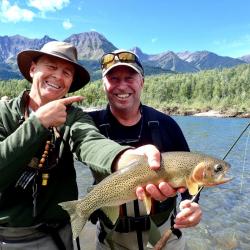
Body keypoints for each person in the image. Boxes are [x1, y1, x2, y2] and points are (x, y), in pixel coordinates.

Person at [0, 41, 176, 250]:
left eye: (67, 72)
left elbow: (91, 142)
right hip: (8, 237)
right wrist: (38, 123)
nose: (58, 76)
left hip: (60, 236)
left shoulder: (75, 117)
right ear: (32, 69)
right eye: (51, 67)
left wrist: (128, 158)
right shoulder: (3, 113)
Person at [89, 49, 202, 250]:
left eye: (129, 77)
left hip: (164, 235)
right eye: (113, 78)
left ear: (142, 81)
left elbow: (192, 172)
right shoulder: (90, 125)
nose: (122, 85)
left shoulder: (167, 124)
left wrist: (190, 204)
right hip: (110, 237)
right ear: (103, 85)